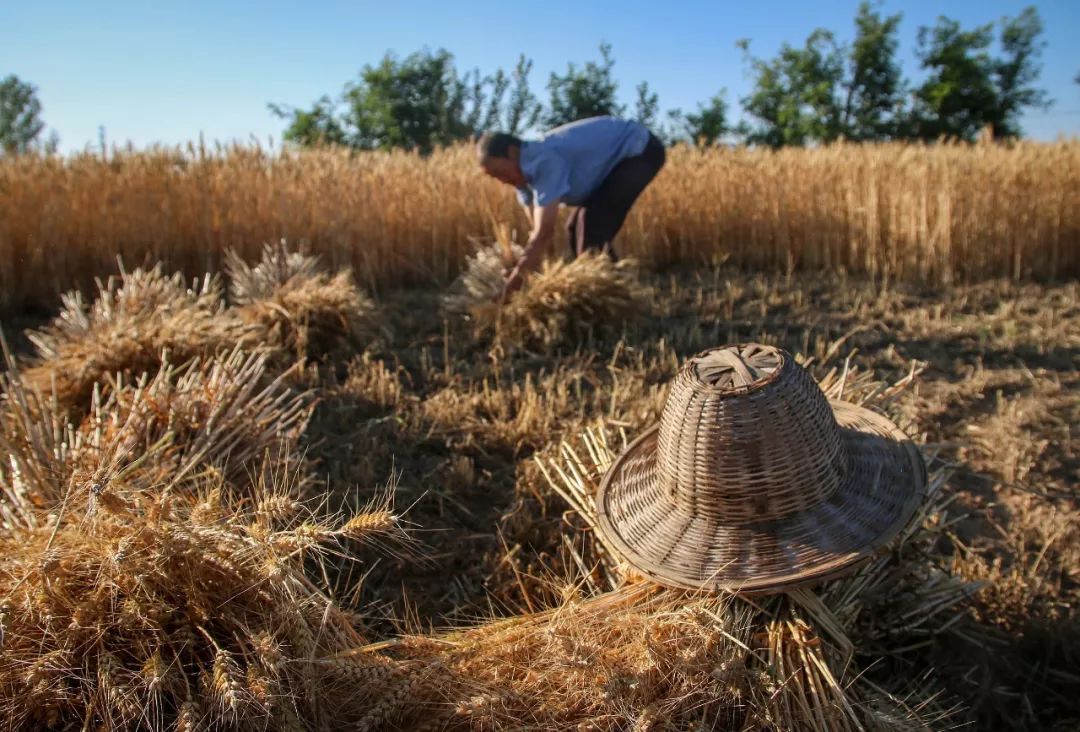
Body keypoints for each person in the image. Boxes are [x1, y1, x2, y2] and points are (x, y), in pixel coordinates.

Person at [477, 115, 665, 300]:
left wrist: (510, 289)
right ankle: (607, 295)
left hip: (641, 151)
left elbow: (544, 233)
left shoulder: (545, 160)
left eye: (500, 172)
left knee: (592, 226)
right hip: (614, 165)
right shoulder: (521, 180)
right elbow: (536, 234)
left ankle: (612, 299)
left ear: (512, 152)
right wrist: (521, 270)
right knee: (574, 228)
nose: (502, 181)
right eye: (495, 178)